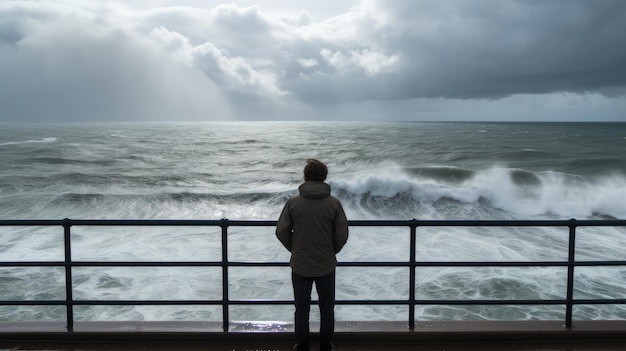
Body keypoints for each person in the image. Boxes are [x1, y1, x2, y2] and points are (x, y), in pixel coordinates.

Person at [276, 159, 349, 351]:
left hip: (300, 265)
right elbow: (342, 234)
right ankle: (326, 346)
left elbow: (281, 231)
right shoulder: (334, 203)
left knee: (301, 310)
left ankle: (302, 346)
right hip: (326, 264)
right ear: (324, 177)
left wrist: (296, 249)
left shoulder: (293, 202)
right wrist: (330, 250)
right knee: (327, 310)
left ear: (305, 177)